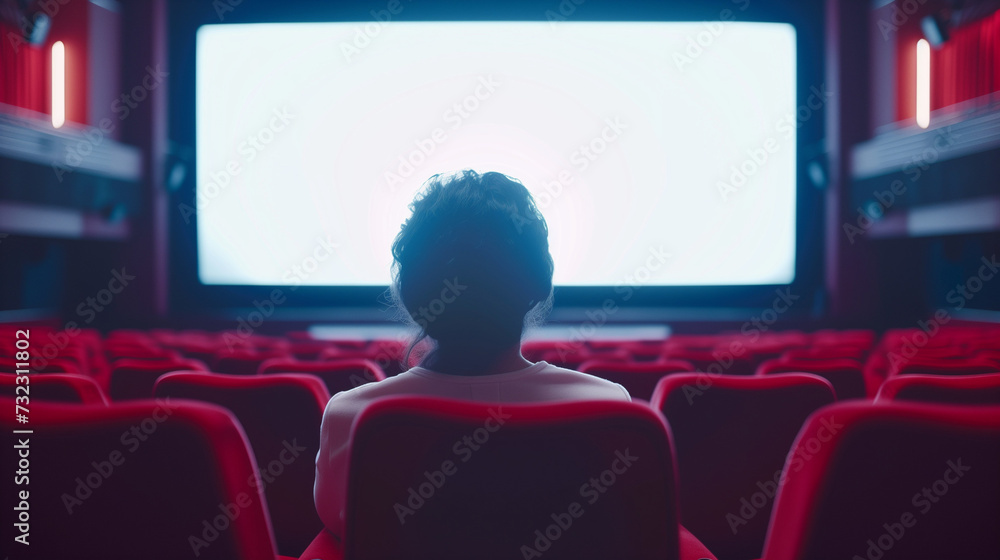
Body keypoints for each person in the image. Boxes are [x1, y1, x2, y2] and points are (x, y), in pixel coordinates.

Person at [313, 170, 630, 540]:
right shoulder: (608, 408)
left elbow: (342, 531)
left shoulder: (352, 417)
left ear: (412, 296)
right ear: (539, 286)